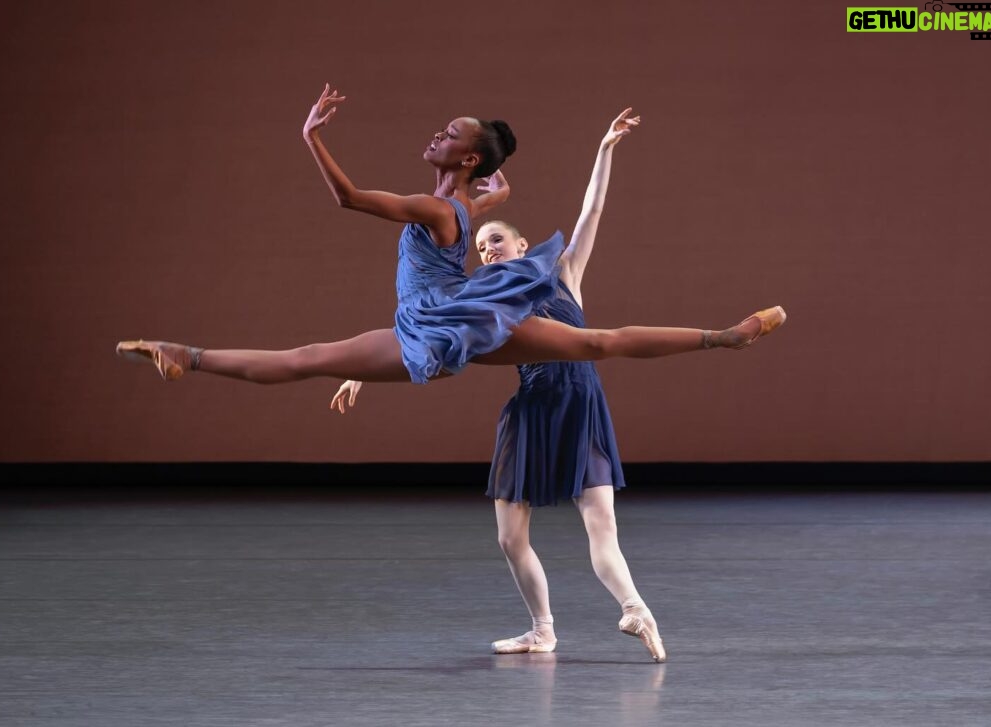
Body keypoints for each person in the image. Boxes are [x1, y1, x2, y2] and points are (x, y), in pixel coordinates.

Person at [117, 83, 785, 390]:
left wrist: (310, 136)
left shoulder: (433, 210)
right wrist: (500, 192)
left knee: (592, 342)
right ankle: (186, 353)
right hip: (424, 319)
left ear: (467, 160)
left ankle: (722, 335)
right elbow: (479, 197)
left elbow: (348, 198)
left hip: (447, 315)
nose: (436, 135)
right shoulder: (455, 202)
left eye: (451, 136)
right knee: (308, 357)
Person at [329, 109, 672, 661]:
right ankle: (543, 630)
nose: (486, 251)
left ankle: (635, 609)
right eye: (480, 248)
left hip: (581, 405)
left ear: (522, 245)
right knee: (510, 539)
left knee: (601, 526)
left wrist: (604, 149)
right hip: (531, 410)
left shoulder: (563, 274)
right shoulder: (486, 301)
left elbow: (592, 211)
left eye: (495, 242)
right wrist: (357, 370)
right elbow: (423, 336)